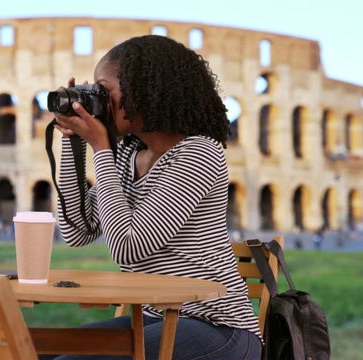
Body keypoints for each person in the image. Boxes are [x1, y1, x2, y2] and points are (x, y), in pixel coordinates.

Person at [51, 35, 261, 359]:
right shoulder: (127, 154)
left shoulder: (199, 153)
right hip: (154, 317)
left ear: (143, 90)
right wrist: (75, 142)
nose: (97, 102)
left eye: (103, 91)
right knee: (37, 349)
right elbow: (76, 231)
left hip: (219, 327)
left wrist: (101, 149)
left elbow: (128, 249)